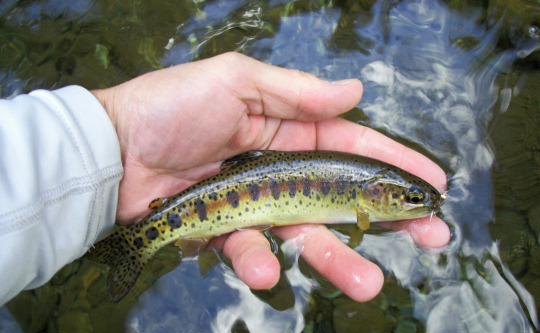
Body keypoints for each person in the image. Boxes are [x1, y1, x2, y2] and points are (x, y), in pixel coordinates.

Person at [0, 52, 450, 306]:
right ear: (377, 194)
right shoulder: (362, 201)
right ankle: (135, 243)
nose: (416, 203)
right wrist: (114, 136)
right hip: (215, 197)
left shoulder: (364, 195)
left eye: (412, 199)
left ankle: (133, 243)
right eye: (411, 198)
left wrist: (107, 139)